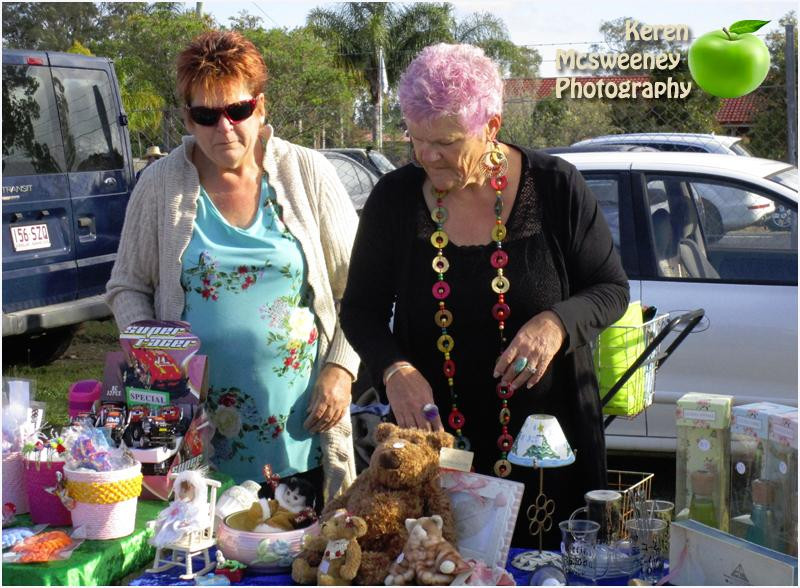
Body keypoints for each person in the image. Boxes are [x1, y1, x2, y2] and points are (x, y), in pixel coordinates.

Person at [339, 43, 629, 547]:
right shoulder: (394, 199)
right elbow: (360, 310)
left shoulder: (556, 187)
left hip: (547, 453)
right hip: (434, 454)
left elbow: (610, 289)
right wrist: (394, 369)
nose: (428, 156)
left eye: (446, 142)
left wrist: (555, 324)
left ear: (490, 126)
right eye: (417, 139)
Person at [106, 30, 361, 505]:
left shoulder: (308, 173)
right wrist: (158, 366)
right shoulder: (160, 185)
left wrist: (341, 370)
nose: (224, 128)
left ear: (260, 107)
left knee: (294, 560)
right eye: (206, 115)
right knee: (203, 562)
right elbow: (126, 287)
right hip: (190, 436)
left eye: (237, 110)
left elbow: (360, 288)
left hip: (299, 433)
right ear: (187, 117)